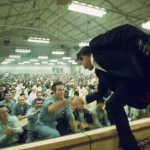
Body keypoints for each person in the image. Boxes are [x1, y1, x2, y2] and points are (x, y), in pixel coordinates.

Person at [76, 24, 150, 150]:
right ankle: (130, 145)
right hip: (137, 87)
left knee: (112, 104)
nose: (82, 67)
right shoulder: (99, 72)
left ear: (83, 57)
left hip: (142, 71)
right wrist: (82, 99)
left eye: (81, 63)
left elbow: (124, 30)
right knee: (112, 104)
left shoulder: (96, 45)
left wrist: (146, 43)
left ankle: (130, 146)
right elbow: (102, 93)